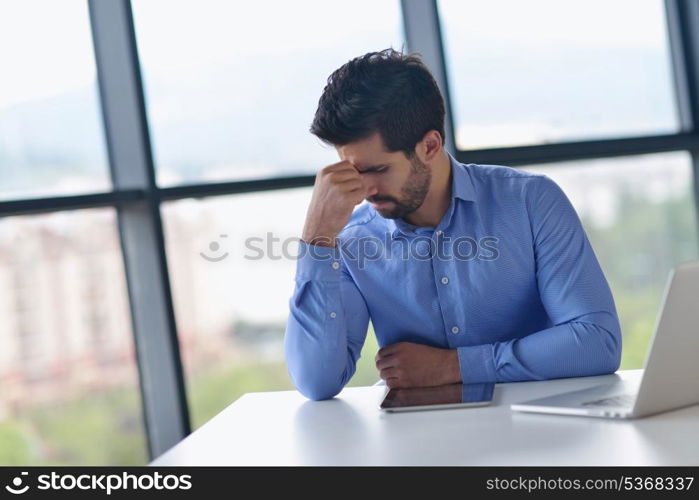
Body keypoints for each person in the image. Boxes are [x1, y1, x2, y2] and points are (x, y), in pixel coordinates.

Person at [284, 48, 621, 401]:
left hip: (542, 433)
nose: (364, 190)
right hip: (421, 446)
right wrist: (315, 238)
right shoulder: (354, 240)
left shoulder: (530, 202)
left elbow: (597, 341)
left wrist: (453, 366)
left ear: (430, 145)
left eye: (378, 170)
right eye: (352, 171)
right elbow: (316, 382)